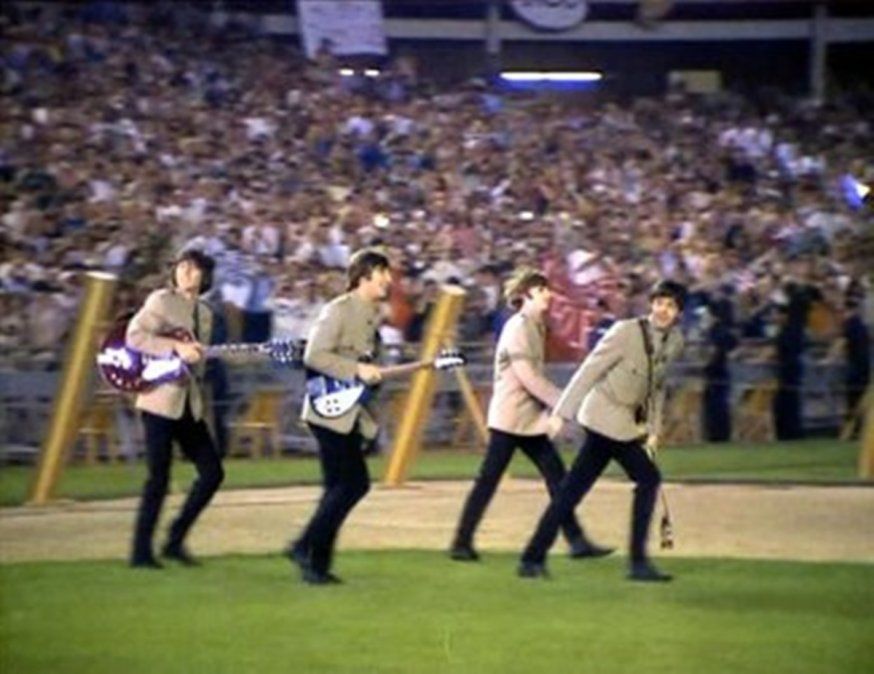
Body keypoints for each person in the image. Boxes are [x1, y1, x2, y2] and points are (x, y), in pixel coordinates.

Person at [518, 279, 687, 582]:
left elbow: (656, 387)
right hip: (602, 417)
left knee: (571, 491)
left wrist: (653, 428)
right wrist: (562, 414)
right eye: (659, 302)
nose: (663, 310)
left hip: (625, 423)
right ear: (651, 304)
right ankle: (637, 563)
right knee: (647, 478)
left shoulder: (675, 342)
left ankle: (533, 557)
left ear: (679, 312)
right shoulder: (626, 332)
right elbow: (589, 371)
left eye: (671, 305)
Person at [449, 268, 612, 562]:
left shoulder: (534, 326)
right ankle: (461, 542)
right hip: (511, 418)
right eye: (541, 290)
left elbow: (534, 377)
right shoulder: (518, 327)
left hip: (528, 418)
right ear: (526, 295)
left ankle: (576, 541)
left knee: (556, 478)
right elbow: (528, 377)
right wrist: (563, 404)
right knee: (491, 480)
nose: (548, 294)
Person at [286, 248, 392, 585]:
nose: (388, 279)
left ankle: (316, 564)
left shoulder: (370, 315)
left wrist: (372, 372)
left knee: (337, 488)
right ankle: (304, 546)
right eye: (383, 273)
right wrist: (356, 369)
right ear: (364, 276)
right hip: (329, 411)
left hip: (349, 411)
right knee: (353, 484)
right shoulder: (339, 310)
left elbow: (365, 360)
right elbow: (315, 355)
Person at [126, 249, 225, 568]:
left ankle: (174, 540)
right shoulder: (161, 301)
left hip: (187, 402)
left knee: (212, 473)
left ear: (206, 276)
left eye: (193, 268)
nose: (186, 272)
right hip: (159, 398)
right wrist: (176, 348)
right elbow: (135, 337)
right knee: (158, 478)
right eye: (182, 267)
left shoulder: (205, 313)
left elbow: (198, 361)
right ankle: (141, 552)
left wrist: (201, 358)